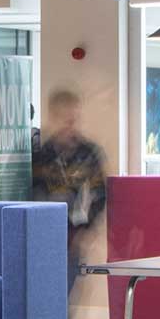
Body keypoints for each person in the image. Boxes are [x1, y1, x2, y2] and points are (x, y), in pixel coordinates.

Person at [30, 90, 109, 293]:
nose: (69, 125)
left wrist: (85, 231)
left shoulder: (88, 153)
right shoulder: (39, 153)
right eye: (64, 119)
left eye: (73, 119)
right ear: (53, 116)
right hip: (38, 235)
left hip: (71, 234)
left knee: (63, 294)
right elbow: (31, 192)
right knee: (39, 293)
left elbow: (99, 195)